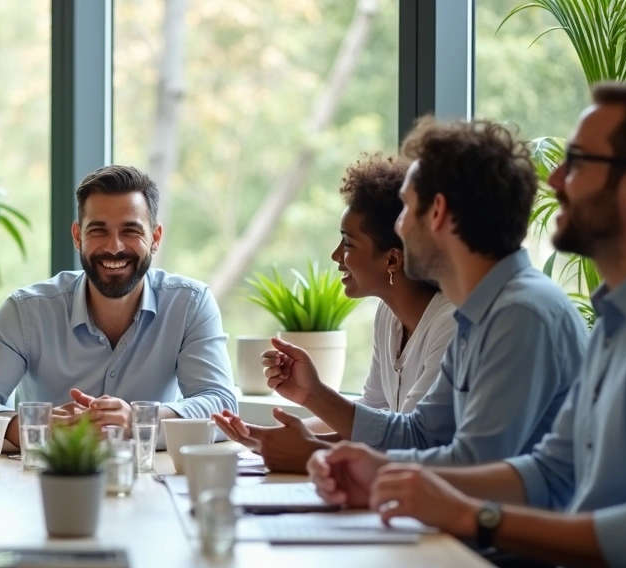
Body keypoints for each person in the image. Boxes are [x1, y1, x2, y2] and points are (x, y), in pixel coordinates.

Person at [309, 82, 626, 568]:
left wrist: (471, 515)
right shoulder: (623, 317)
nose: (556, 181)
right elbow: (551, 470)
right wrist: (384, 473)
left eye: (577, 163)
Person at [225, 117, 588, 471]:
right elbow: (421, 435)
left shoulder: (520, 315)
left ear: (438, 214)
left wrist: (317, 457)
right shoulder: (480, 312)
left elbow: (473, 466)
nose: (399, 225)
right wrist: (313, 396)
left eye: (407, 207)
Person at [0, 165, 238, 445]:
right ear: (77, 237)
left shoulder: (190, 304)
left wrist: (140, 421)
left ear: (155, 237)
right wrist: (26, 426)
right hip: (48, 483)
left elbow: (222, 404)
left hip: (154, 484)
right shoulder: (27, 311)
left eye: (130, 231)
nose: (114, 247)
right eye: (98, 230)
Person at [213, 153, 457, 471]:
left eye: (347, 243)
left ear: (393, 260)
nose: (335, 255)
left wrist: (313, 410)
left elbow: (412, 441)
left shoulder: (451, 324)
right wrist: (268, 441)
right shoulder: (388, 317)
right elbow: (372, 428)